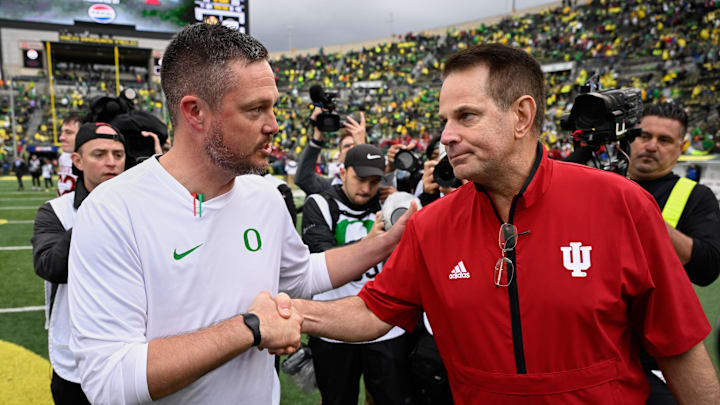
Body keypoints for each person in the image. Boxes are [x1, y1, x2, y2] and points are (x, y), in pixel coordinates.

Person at [289, 44, 720, 404]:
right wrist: (291, 312)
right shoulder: (430, 225)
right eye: (444, 120)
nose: (446, 135)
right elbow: (373, 310)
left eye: (466, 116)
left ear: (521, 116)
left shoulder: (621, 203)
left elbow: (679, 347)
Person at [67, 23, 410, 405]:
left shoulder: (264, 194)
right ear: (195, 112)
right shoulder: (114, 211)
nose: (274, 125)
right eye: (255, 109)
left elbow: (300, 276)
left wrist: (382, 243)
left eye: (273, 107)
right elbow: (109, 379)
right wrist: (248, 328)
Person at [301, 143, 413, 405]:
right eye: (360, 179)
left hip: (387, 328)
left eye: (374, 181)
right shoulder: (320, 203)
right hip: (332, 328)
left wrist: (399, 208)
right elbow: (323, 258)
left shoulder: (391, 204)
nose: (366, 188)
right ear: (342, 172)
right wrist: (371, 245)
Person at [626, 102, 720, 405]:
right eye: (644, 135)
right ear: (629, 138)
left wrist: (646, 217)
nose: (651, 146)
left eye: (664, 140)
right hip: (593, 343)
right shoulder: (595, 183)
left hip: (656, 355)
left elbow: (707, 268)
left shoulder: (695, 196)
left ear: (680, 148)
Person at [32, 122, 128, 405]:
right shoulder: (56, 212)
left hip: (133, 350)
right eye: (99, 154)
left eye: (118, 154)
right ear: (77, 161)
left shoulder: (141, 207)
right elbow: (50, 266)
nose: (111, 162)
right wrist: (96, 211)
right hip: (75, 357)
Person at [57, 115, 82, 196]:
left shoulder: (92, 160)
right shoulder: (63, 156)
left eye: (68, 132)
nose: (61, 137)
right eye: (62, 132)